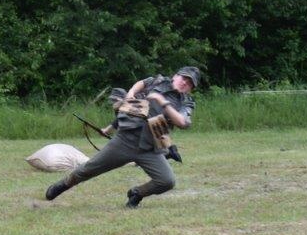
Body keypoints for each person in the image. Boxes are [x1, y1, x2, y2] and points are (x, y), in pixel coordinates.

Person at [45, 66, 199, 208]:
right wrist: (131, 94)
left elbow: (183, 122)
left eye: (190, 83)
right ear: (175, 76)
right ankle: (63, 184)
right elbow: (141, 84)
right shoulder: (158, 81)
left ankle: (137, 193)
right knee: (88, 169)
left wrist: (162, 101)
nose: (185, 83)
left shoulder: (186, 103)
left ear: (191, 89)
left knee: (167, 181)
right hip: (125, 140)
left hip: (150, 148)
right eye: (184, 78)